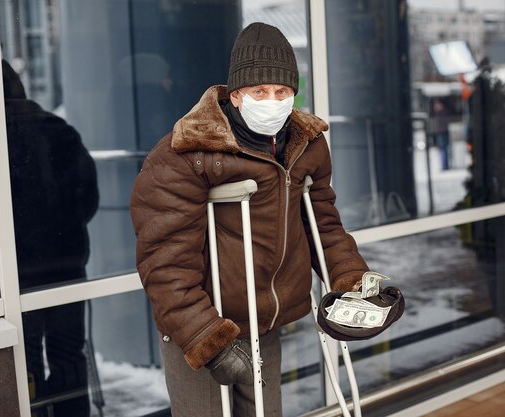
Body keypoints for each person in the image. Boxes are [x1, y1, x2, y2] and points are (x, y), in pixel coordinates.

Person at [130, 22, 379, 416]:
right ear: (235, 94)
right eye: (260, 91)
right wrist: (204, 335)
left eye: (282, 92)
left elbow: (324, 225)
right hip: (199, 325)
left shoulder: (305, 145)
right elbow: (165, 261)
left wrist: (352, 282)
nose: (273, 101)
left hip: (264, 320)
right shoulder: (187, 152)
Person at [2, 59, 99, 417]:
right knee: (68, 357)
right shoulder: (60, 130)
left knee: (22, 362)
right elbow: (88, 198)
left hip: (18, 276)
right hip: (66, 267)